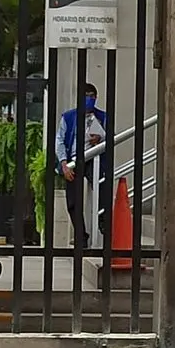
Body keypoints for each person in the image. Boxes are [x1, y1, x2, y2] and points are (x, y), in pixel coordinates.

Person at [54, 83, 109, 246]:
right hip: (74, 159)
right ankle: (81, 236)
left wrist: (101, 139)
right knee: (73, 200)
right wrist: (64, 164)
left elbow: (110, 137)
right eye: (86, 96)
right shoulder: (69, 117)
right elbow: (60, 141)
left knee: (102, 188)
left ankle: (104, 223)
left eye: (92, 96)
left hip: (94, 157)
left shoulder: (102, 117)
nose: (89, 99)